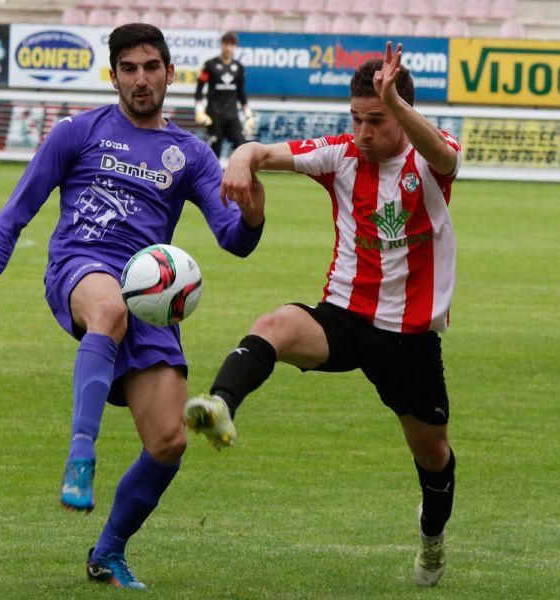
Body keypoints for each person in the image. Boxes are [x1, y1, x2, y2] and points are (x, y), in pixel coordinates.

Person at [0, 23, 265, 590]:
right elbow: (16, 212)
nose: (141, 80)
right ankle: (81, 455)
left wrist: (254, 215)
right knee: (110, 308)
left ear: (169, 72)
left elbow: (233, 239)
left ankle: (107, 553)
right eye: (129, 69)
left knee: (169, 442)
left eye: (151, 68)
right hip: (80, 269)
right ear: (113, 74)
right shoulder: (78, 132)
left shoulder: (188, 154)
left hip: (151, 296)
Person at [184, 41, 461, 587]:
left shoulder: (429, 158)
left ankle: (432, 539)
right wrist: (241, 156)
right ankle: (220, 404)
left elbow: (447, 158)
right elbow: (263, 153)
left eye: (375, 120)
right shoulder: (339, 154)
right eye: (355, 118)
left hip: (409, 336)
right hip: (344, 316)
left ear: (402, 115)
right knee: (275, 325)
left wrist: (398, 107)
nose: (361, 132)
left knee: (433, 454)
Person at [194, 31, 254, 158]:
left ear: (235, 47)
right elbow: (199, 89)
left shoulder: (239, 67)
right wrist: (199, 110)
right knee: (216, 148)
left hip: (232, 114)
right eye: (226, 44)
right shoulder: (209, 65)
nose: (228, 48)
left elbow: (241, 92)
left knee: (241, 145)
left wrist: (248, 113)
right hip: (214, 114)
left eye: (231, 45)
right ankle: (213, 177)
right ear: (221, 45)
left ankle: (241, 176)